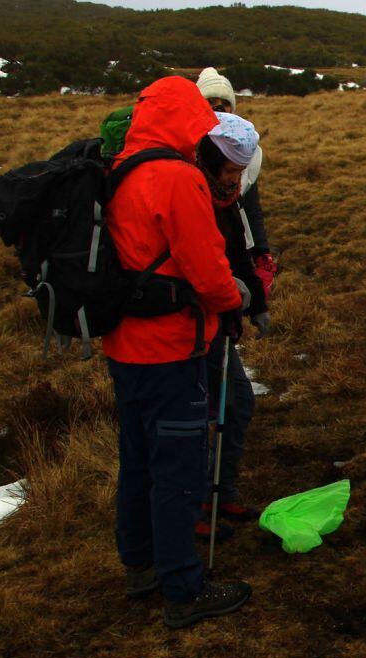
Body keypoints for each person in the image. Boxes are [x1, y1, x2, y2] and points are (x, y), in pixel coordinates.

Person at [104, 76, 251, 628]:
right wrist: (236, 293)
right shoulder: (176, 177)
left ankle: (139, 565)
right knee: (179, 467)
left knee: (138, 459)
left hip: (125, 344)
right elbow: (208, 271)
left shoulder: (120, 168)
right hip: (171, 346)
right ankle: (183, 590)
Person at [193, 112, 270, 539]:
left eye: (240, 172)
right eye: (229, 172)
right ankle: (195, 505)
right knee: (192, 421)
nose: (234, 180)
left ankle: (221, 490)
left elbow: (239, 249)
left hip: (217, 324)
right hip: (187, 329)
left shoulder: (227, 199)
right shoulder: (189, 197)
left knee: (236, 403)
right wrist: (229, 293)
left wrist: (256, 302)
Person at [197, 67, 279, 297]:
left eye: (224, 102)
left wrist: (262, 253)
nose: (217, 108)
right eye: (209, 101)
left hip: (236, 242)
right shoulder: (186, 153)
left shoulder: (245, 150)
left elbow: (251, 208)